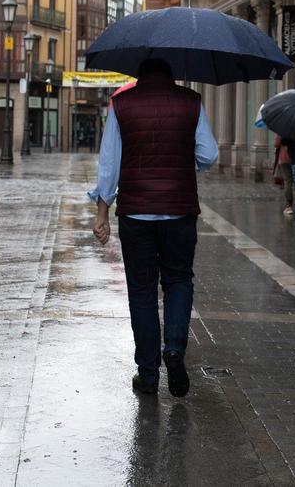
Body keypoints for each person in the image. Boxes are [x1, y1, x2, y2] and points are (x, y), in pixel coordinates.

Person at [89, 59, 218, 397]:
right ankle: (174, 349)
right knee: (178, 280)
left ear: (139, 74)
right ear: (171, 74)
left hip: (136, 214)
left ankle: (147, 374)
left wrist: (102, 212)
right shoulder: (191, 101)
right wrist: (180, 160)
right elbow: (209, 154)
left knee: (142, 291)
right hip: (179, 211)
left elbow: (109, 163)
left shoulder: (121, 103)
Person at [273, 134, 294, 215]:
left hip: (284, 159)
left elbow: (276, 144)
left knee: (288, 181)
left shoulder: (281, 129)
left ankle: (289, 206)